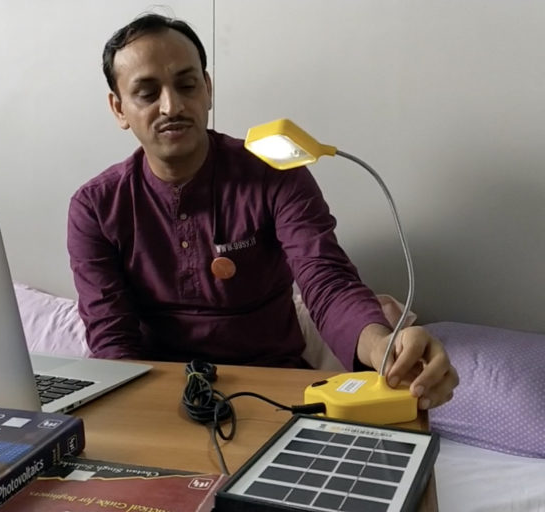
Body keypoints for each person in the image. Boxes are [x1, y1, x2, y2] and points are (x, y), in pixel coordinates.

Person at [67, 13, 458, 410]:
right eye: (148, 93)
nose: (172, 106)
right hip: (161, 398)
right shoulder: (96, 207)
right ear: (119, 108)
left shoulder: (274, 175)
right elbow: (112, 340)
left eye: (186, 85)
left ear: (207, 89)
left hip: (276, 386)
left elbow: (326, 281)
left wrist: (383, 350)